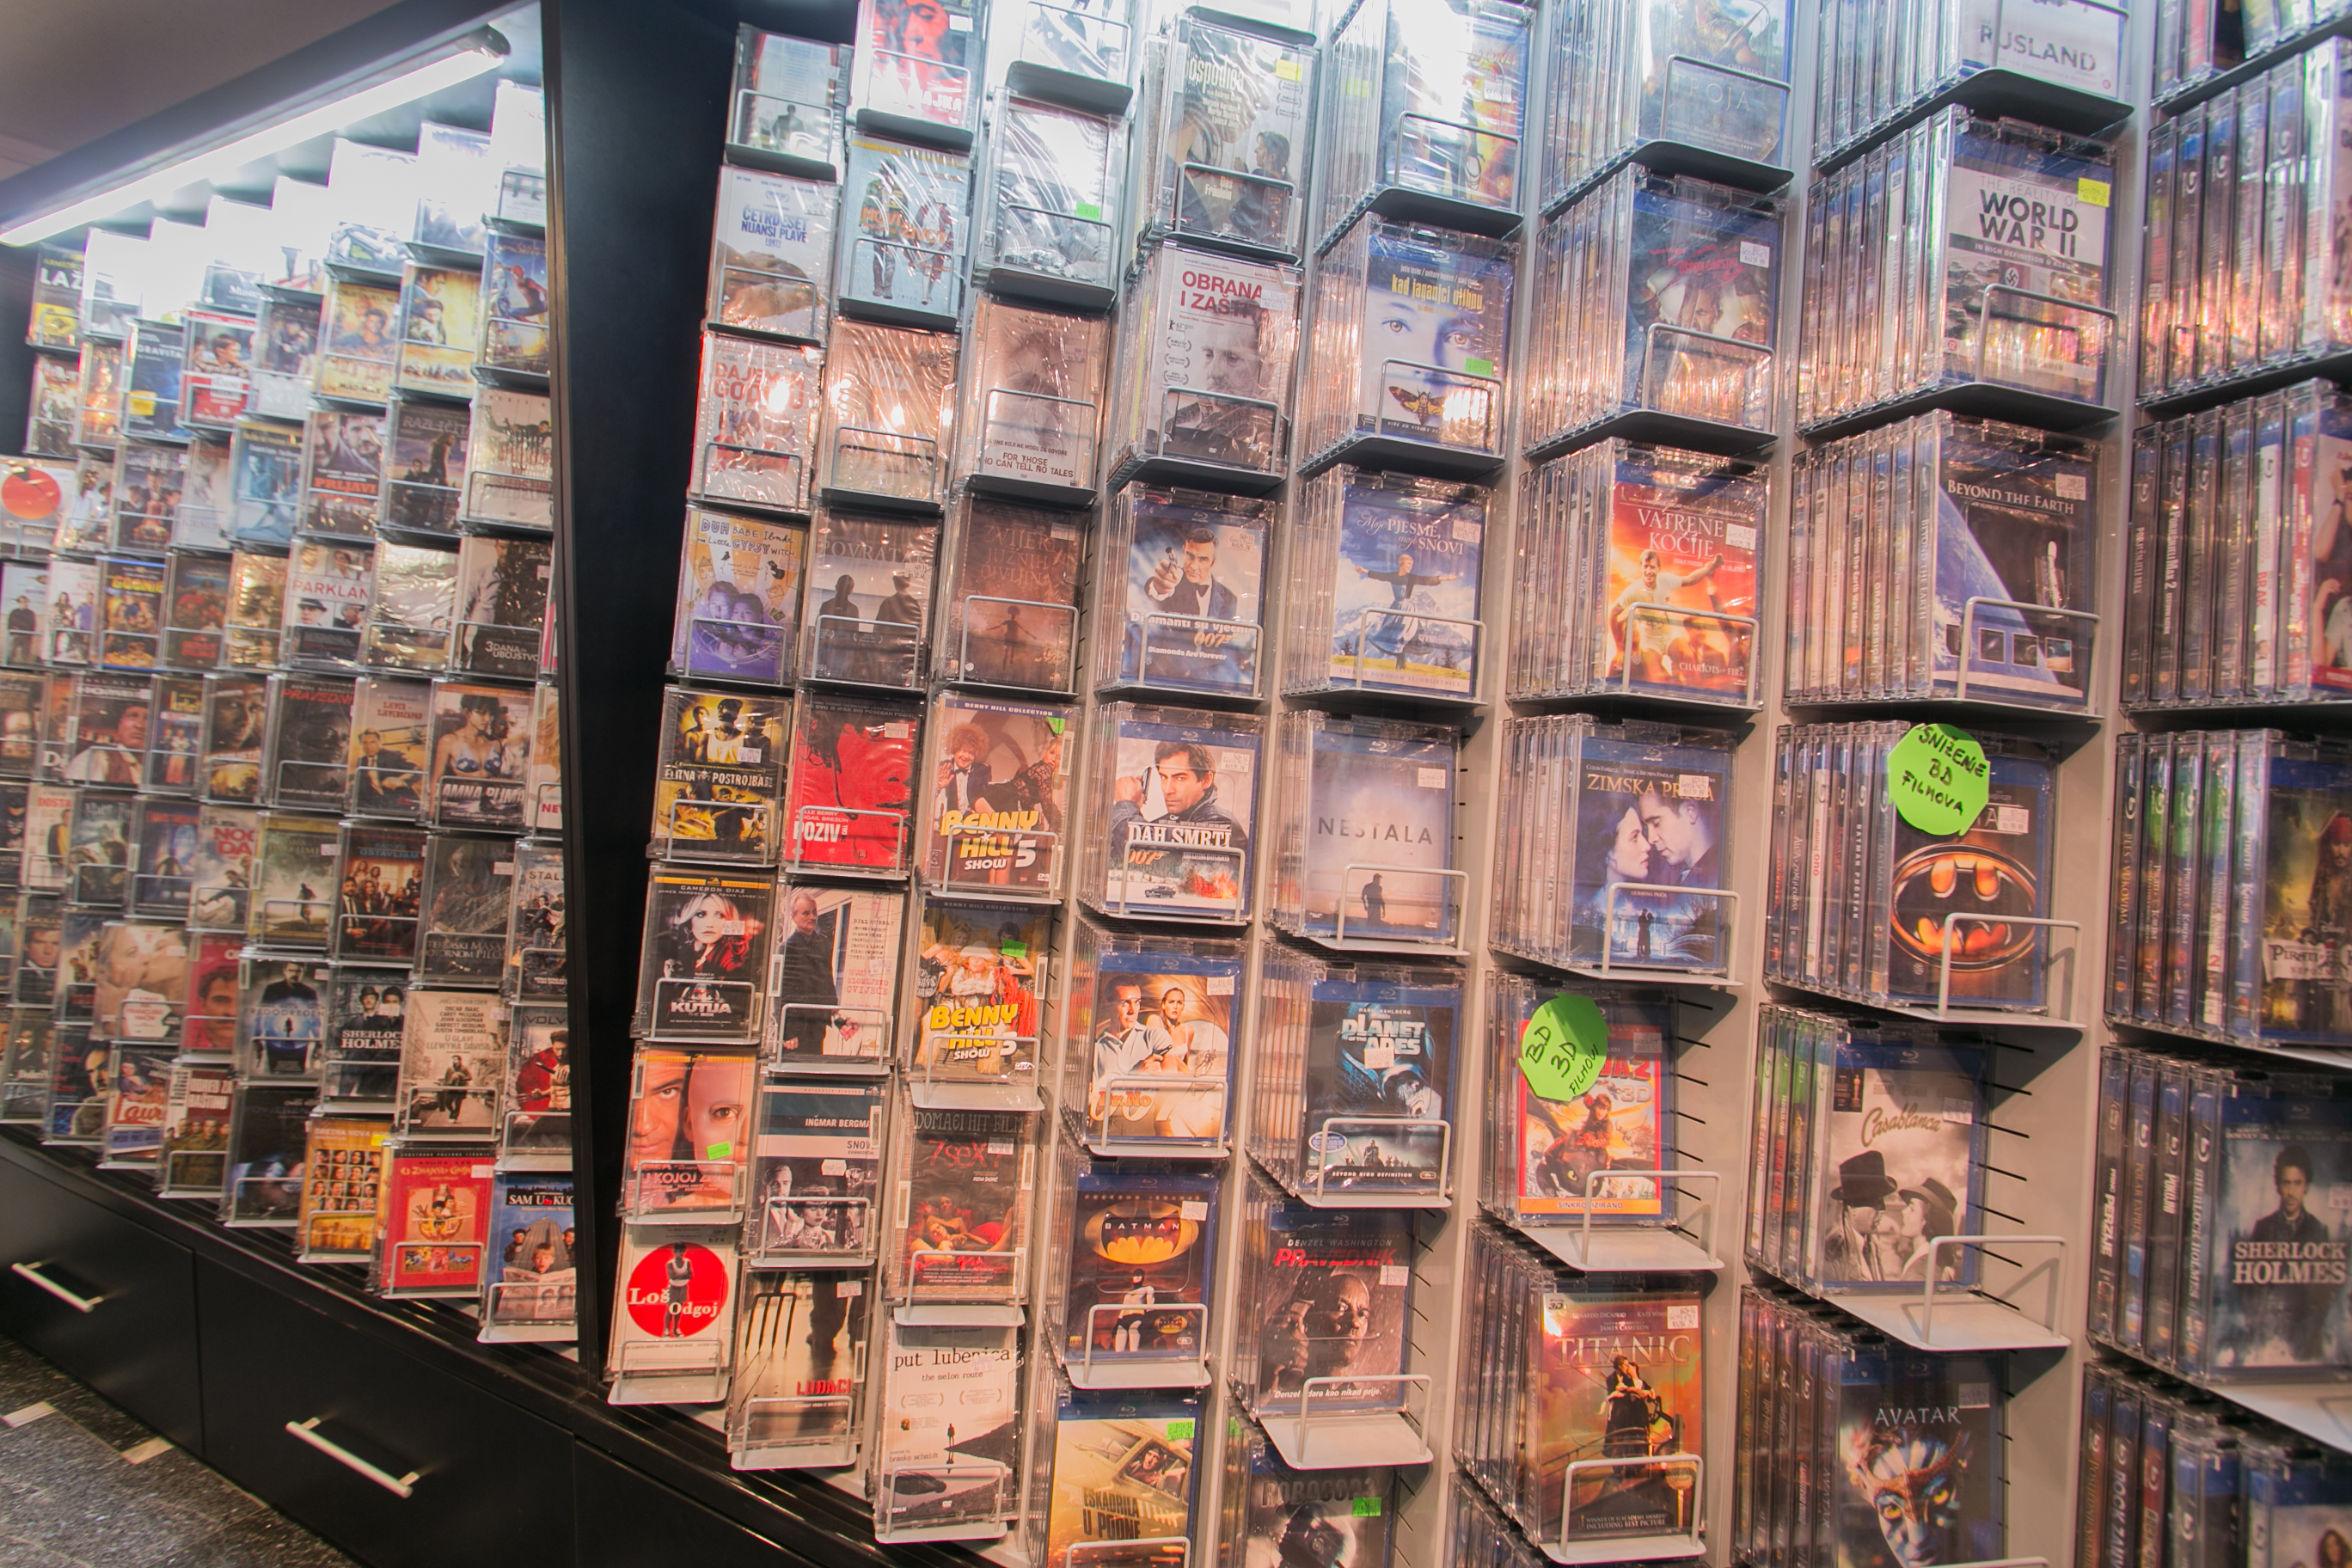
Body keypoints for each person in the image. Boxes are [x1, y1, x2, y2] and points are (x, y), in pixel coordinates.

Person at [1106, 739, 1252, 868]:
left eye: (1180, 778)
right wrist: (1133, 810)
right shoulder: (1174, 820)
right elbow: (1123, 857)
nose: (1168, 790)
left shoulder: (1220, 821)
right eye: (1164, 777)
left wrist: (1126, 805)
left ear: (1206, 780)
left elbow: (1160, 857)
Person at [1163, 297, 1272, 469]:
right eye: (1209, 354)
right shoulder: (1175, 425)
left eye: (1232, 358)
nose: (1215, 372)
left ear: (1265, 369)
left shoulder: (1270, 441)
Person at [2251, 1143, 2337, 1361]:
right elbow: (2251, 1291)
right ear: (2278, 1185)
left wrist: (2305, 1337)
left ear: (2306, 1186)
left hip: (2306, 1343)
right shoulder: (2263, 1228)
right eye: (2286, 1183)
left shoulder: (2319, 1231)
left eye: (2297, 1183)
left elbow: (2324, 1296)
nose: (2290, 1192)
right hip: (2268, 1340)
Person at [1609, 548, 1724, 684]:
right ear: (1641, 568)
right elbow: (1613, 614)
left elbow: (1690, 579)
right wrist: (1619, 648)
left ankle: (1692, 690)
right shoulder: (1633, 590)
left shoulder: (1665, 580)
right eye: (1645, 567)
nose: (1649, 571)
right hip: (1650, 640)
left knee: (1688, 657)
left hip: (1669, 634)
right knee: (1654, 675)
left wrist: (1710, 567)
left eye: (1652, 567)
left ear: (1658, 568)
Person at [1354, 549, 1461, 670]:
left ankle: (1401, 664)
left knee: (1405, 635)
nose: (1411, 566)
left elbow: (1426, 580)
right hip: (1396, 607)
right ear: (1402, 563)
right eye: (1409, 563)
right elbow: (1380, 575)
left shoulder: (1412, 578)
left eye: (1412, 564)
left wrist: (1447, 578)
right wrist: (1363, 571)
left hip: (1407, 610)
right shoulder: (1393, 576)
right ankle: (1401, 663)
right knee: (1394, 635)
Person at [775, 889, 840, 1057]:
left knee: (815, 1063)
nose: (812, 917)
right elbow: (780, 994)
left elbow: (827, 977)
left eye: (814, 912)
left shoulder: (823, 942)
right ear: (793, 917)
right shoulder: (785, 948)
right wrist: (787, 1032)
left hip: (817, 1024)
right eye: (806, 913)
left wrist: (834, 1010)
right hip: (796, 1027)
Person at [1637, 778, 1719, 889]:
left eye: (1656, 823)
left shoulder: (1715, 880)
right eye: (1647, 827)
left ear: (1690, 812)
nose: (1651, 839)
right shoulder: (1690, 879)